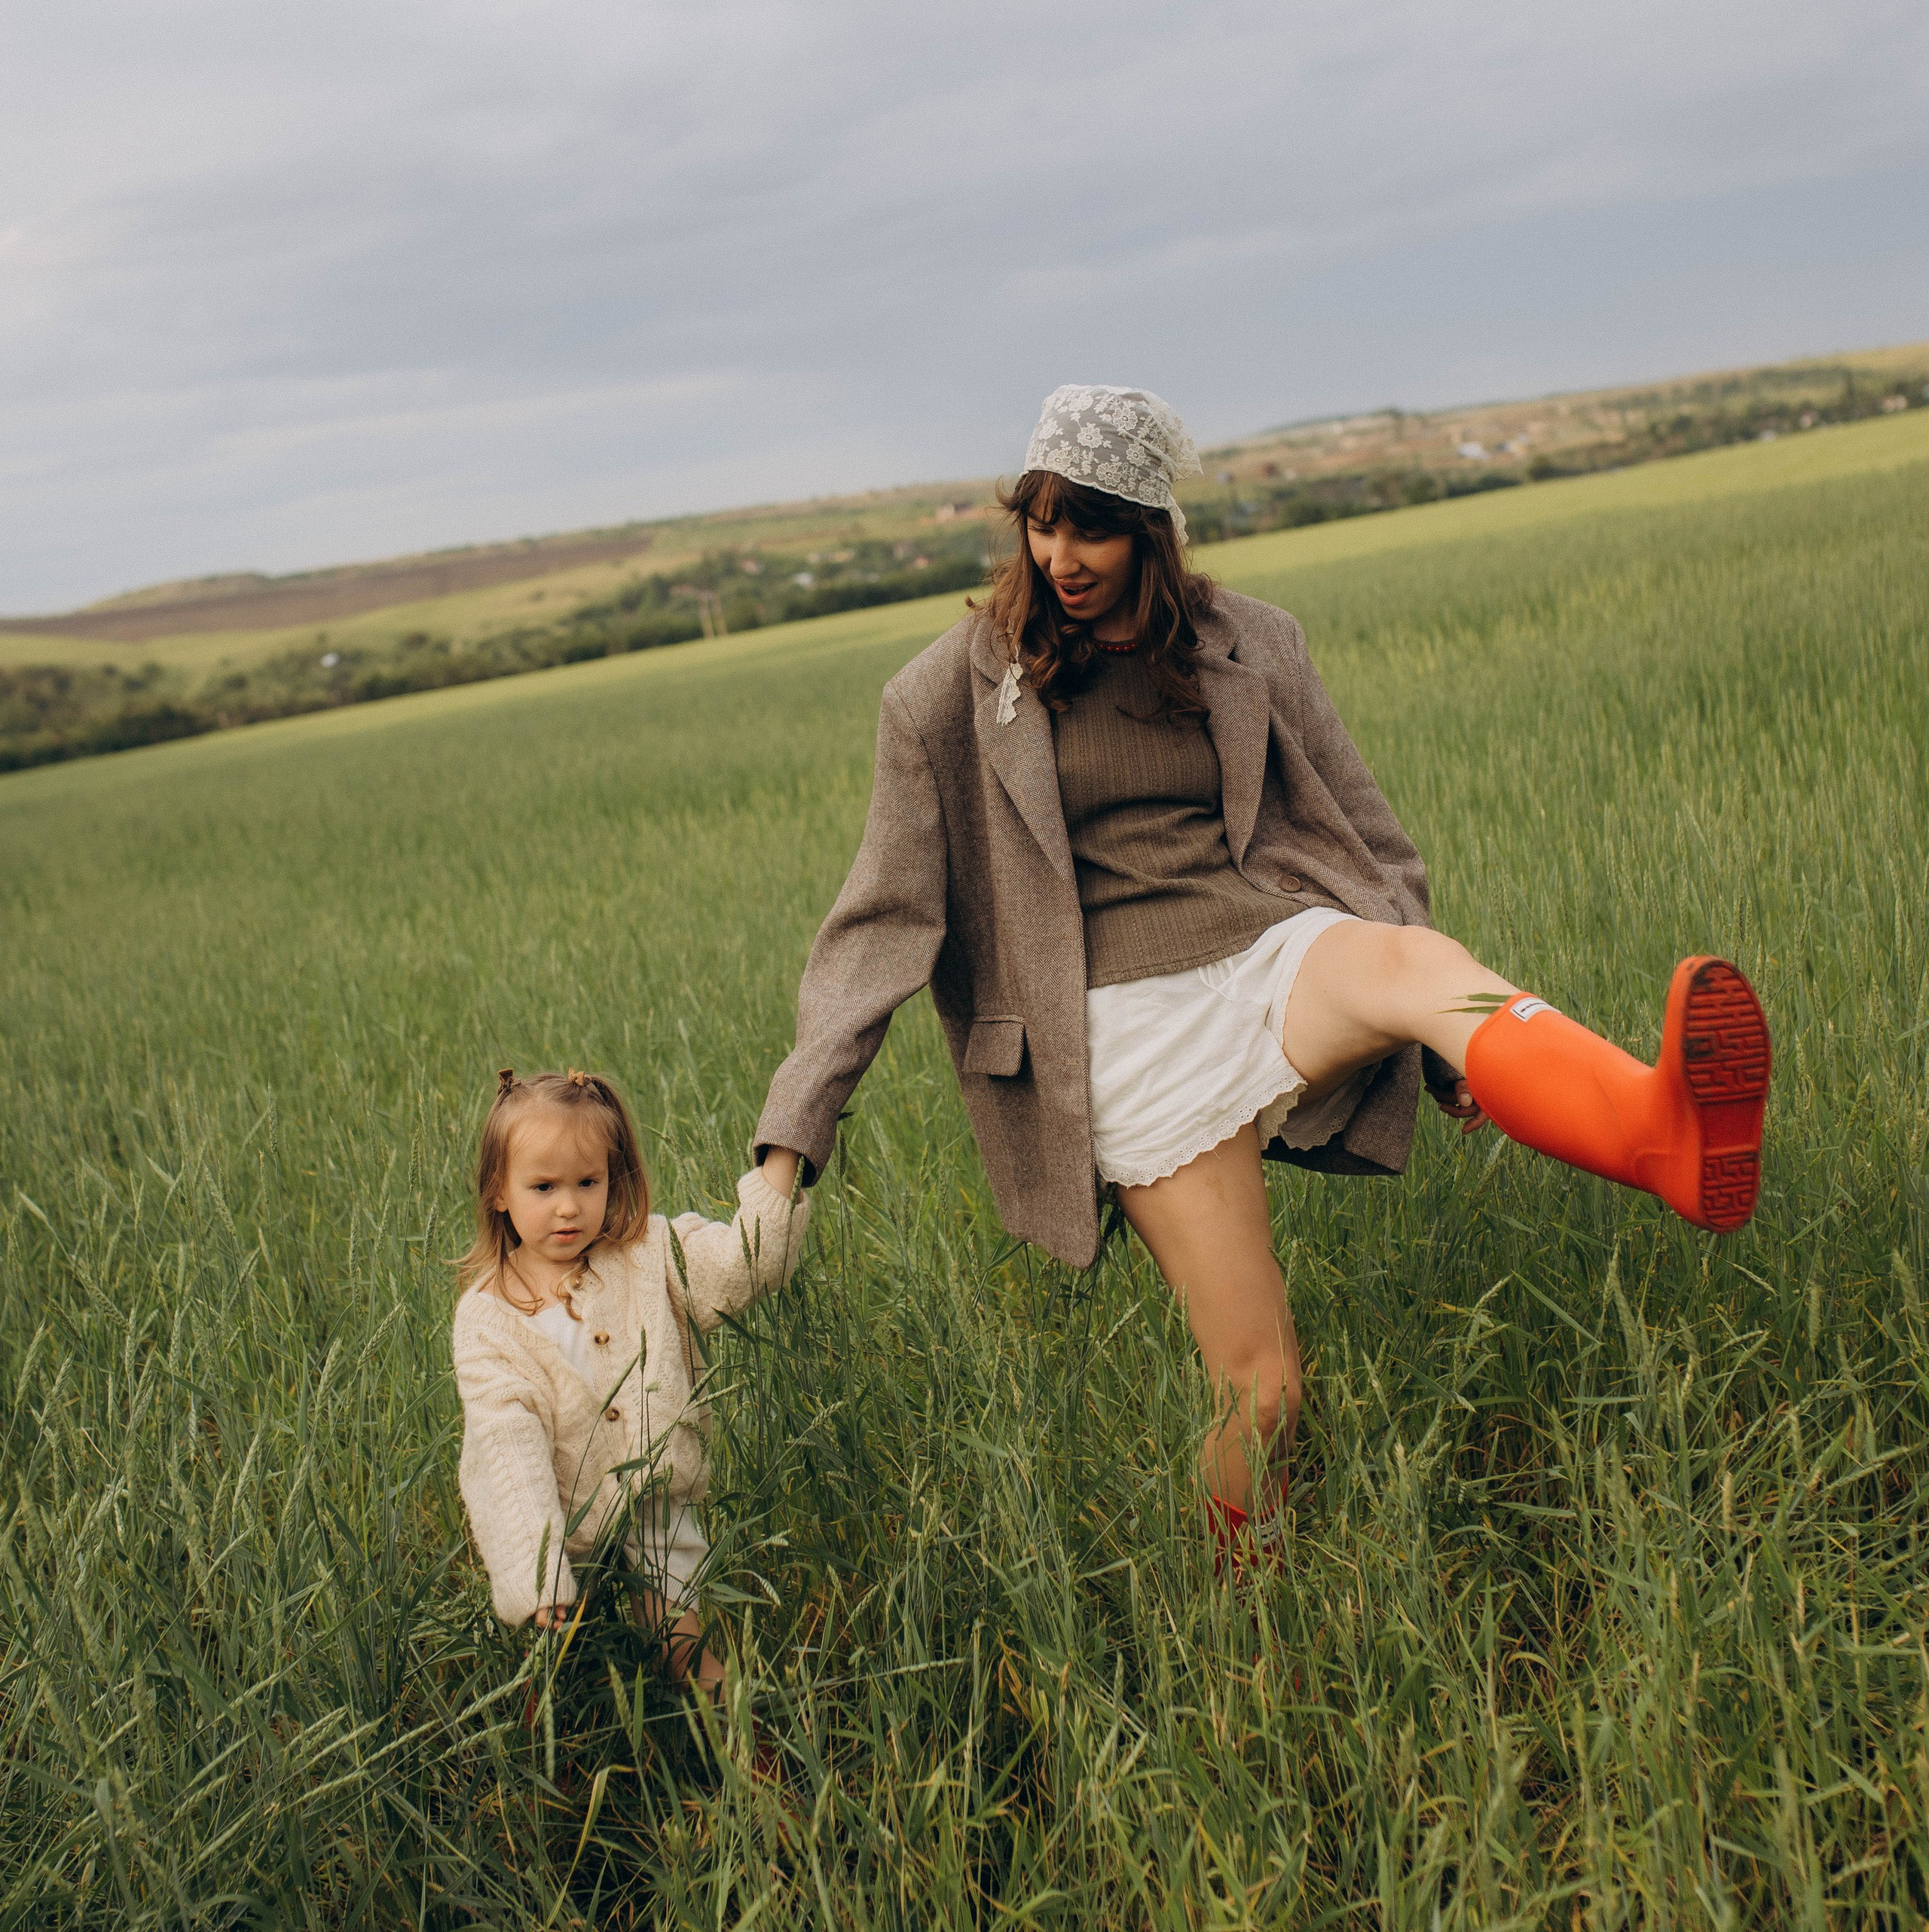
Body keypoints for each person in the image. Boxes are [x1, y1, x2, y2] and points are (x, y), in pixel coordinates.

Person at [754, 384, 1770, 1568]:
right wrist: (787, 1155)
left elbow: (1368, 836)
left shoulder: (1252, 643)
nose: (1063, 556)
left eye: (1096, 527)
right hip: (1111, 1026)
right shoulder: (945, 695)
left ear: (1153, 529)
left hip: (1264, 943)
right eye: (1044, 524)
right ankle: (1246, 1614)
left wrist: (1444, 1053)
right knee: (1265, 1389)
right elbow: (876, 926)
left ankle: (1659, 1133)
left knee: (1419, 963)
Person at [454, 1068, 808, 1691]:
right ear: (499, 1191)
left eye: (588, 1182)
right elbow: (506, 1445)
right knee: (557, 1674)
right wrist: (540, 1573)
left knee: (680, 1648)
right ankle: (552, 1767)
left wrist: (785, 1154)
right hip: (554, 1514)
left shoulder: (647, 1255)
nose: (569, 1206)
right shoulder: (488, 1320)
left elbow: (743, 1268)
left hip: (651, 1499)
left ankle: (747, 1750)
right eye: (543, 1187)